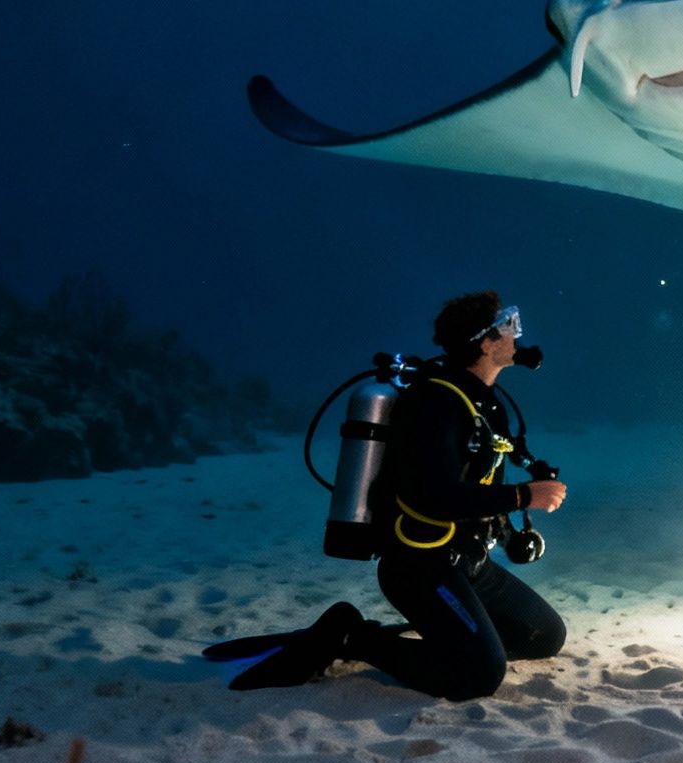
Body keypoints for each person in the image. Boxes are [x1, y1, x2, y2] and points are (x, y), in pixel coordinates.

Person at [209, 290, 569, 699]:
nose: (516, 335)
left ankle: (448, 635)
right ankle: (351, 637)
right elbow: (432, 497)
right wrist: (523, 496)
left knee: (543, 636)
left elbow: (480, 481)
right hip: (421, 566)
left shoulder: (484, 402)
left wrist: (509, 527)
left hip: (468, 560)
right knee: (480, 675)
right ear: (486, 342)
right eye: (508, 327)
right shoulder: (436, 403)